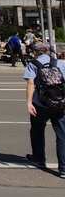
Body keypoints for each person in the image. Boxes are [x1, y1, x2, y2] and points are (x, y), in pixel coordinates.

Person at [23, 43, 65, 178]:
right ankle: (63, 168)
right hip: (60, 104)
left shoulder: (33, 64)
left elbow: (30, 83)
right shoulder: (60, 62)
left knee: (37, 131)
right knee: (62, 135)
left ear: (35, 52)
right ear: (47, 51)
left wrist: (29, 103)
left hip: (40, 104)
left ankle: (39, 159)